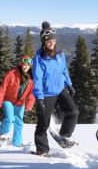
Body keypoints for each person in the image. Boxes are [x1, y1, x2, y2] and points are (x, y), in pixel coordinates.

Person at [32, 21, 79, 157]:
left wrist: (69, 84)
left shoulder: (60, 54)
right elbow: (37, 79)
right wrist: (39, 98)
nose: (51, 43)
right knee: (43, 124)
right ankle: (42, 150)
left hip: (60, 90)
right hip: (46, 94)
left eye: (52, 40)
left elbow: (64, 71)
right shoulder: (39, 58)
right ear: (44, 42)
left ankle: (65, 135)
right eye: (48, 41)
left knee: (73, 112)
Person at [0, 56, 35, 147]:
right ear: (20, 64)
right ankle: (1, 132)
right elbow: (2, 89)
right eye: (24, 65)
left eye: (28, 65)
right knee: (10, 118)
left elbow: (32, 94)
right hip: (8, 100)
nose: (26, 67)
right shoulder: (11, 74)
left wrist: (29, 105)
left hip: (20, 103)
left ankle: (17, 143)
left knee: (19, 123)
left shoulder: (31, 78)